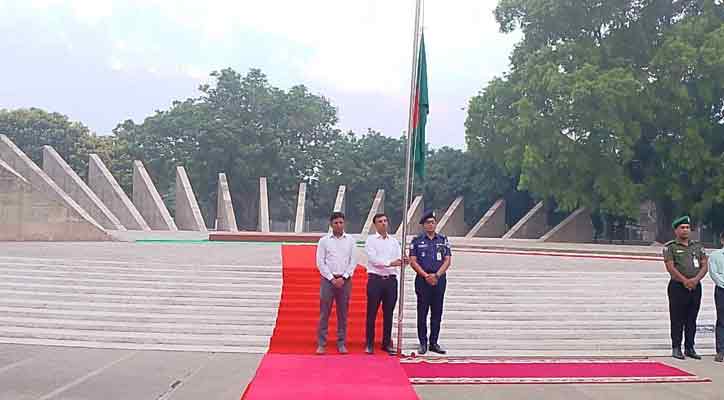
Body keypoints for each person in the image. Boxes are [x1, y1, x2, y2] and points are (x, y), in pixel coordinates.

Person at [663, 215, 708, 360]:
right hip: (677, 287)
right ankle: (676, 347)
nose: (685, 230)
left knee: (691, 319)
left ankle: (690, 347)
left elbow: (704, 265)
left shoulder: (697, 246)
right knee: (677, 318)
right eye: (682, 228)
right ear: (676, 230)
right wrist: (685, 281)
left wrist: (695, 280)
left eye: (687, 227)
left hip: (695, 286)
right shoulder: (670, 247)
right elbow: (670, 267)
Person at [409, 211, 451, 355]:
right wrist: (426, 275)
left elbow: (447, 260)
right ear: (423, 225)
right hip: (422, 280)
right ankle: (423, 342)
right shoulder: (417, 240)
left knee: (437, 312)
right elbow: (413, 261)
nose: (431, 225)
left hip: (439, 280)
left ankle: (434, 342)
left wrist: (437, 275)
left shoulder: (443, 239)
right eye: (428, 222)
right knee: (422, 312)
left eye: (433, 222)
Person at [316, 212, 356, 355]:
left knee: (343, 313)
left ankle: (341, 343)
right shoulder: (324, 241)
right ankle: (321, 343)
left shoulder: (350, 240)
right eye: (336, 223)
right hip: (328, 281)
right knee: (324, 313)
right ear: (331, 224)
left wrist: (343, 278)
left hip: (345, 281)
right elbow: (320, 262)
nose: (339, 225)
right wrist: (332, 278)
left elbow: (353, 261)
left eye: (341, 222)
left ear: (344, 223)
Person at [364, 213, 404, 355]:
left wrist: (399, 262)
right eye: (380, 221)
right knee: (372, 313)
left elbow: (399, 259)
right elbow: (374, 260)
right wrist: (390, 263)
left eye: (385, 221)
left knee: (389, 314)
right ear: (375, 225)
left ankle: (386, 343)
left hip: (391, 281)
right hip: (376, 279)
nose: (383, 223)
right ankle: (369, 343)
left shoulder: (394, 242)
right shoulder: (371, 240)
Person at [709, 231, 724, 362]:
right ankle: (720, 351)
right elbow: (714, 274)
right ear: (722, 240)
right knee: (721, 321)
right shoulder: (715, 256)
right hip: (721, 290)